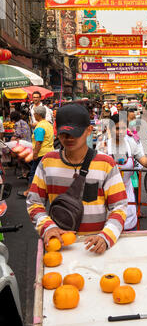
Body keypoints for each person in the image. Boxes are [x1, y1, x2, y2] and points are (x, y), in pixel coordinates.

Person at [26, 103, 127, 254]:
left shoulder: (106, 163)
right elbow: (34, 203)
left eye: (75, 133)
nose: (68, 138)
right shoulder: (47, 162)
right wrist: (48, 227)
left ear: (88, 131)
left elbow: (119, 207)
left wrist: (106, 236)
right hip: (59, 246)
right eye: (63, 133)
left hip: (95, 247)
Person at [100, 113, 147, 231]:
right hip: (107, 198)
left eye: (123, 128)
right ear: (110, 129)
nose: (120, 131)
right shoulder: (103, 147)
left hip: (128, 199)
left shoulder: (131, 144)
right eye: (117, 128)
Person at [18, 106, 54, 198]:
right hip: (49, 152)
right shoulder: (48, 124)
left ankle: (29, 191)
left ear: (37, 115)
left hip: (41, 153)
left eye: (34, 114)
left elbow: (39, 142)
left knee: (34, 172)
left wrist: (35, 154)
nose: (33, 115)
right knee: (45, 173)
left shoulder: (40, 126)